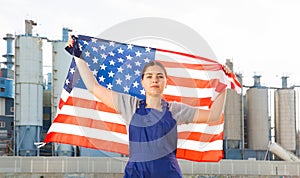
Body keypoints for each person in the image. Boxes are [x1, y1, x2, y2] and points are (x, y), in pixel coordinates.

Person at [67, 38, 226, 178]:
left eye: (159, 77)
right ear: (142, 82)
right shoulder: (130, 106)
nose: (154, 80)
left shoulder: (175, 110)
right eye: (149, 76)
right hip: (137, 173)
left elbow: (214, 115)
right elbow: (94, 87)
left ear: (166, 83)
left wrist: (223, 85)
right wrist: (78, 54)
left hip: (167, 173)